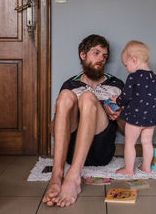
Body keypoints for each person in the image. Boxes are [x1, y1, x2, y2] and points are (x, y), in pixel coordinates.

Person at [42, 34, 125, 207]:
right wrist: (59, 111)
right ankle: (56, 177)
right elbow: (53, 130)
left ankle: (73, 177)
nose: (101, 59)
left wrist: (120, 114)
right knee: (65, 96)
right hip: (72, 152)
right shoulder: (70, 85)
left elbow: (126, 130)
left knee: (87, 97)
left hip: (102, 151)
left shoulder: (117, 84)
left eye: (104, 56)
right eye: (96, 53)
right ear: (83, 55)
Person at [111, 40, 156, 175]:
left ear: (134, 60)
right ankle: (146, 167)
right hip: (151, 118)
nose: (126, 68)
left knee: (129, 143)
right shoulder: (155, 78)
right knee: (147, 143)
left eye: (126, 64)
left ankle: (128, 169)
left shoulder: (133, 77)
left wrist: (117, 100)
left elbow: (126, 96)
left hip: (135, 117)